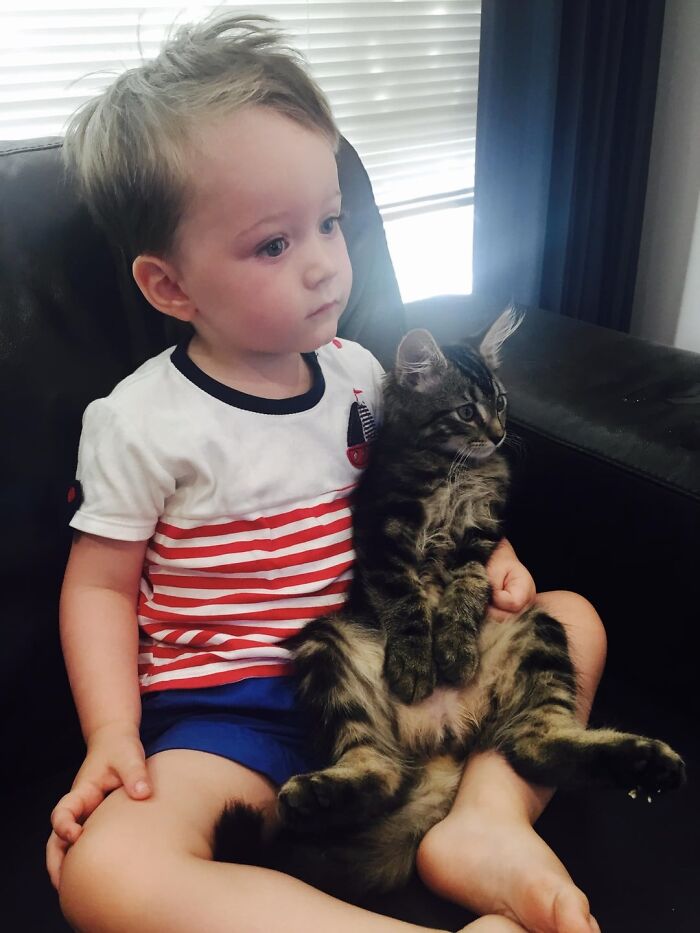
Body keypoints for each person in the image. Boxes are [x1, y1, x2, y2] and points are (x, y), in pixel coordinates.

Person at [46, 12, 606, 933]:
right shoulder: (139, 422)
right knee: (104, 872)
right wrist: (110, 734)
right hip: (233, 724)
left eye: (331, 222)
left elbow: (430, 490)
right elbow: (100, 587)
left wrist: (493, 552)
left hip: (395, 666)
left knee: (572, 619)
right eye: (275, 244)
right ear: (170, 286)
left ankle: (485, 821)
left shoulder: (361, 374)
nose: (324, 267)